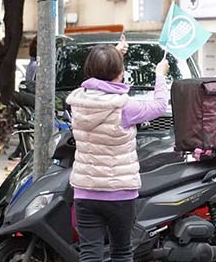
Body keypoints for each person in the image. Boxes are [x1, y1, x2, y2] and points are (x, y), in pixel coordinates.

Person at [67, 41, 168, 262]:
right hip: (120, 194)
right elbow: (160, 105)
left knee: (89, 254)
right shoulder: (126, 107)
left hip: (85, 191)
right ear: (120, 73)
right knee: (121, 252)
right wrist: (160, 75)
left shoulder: (78, 101)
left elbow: (99, 82)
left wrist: (115, 54)